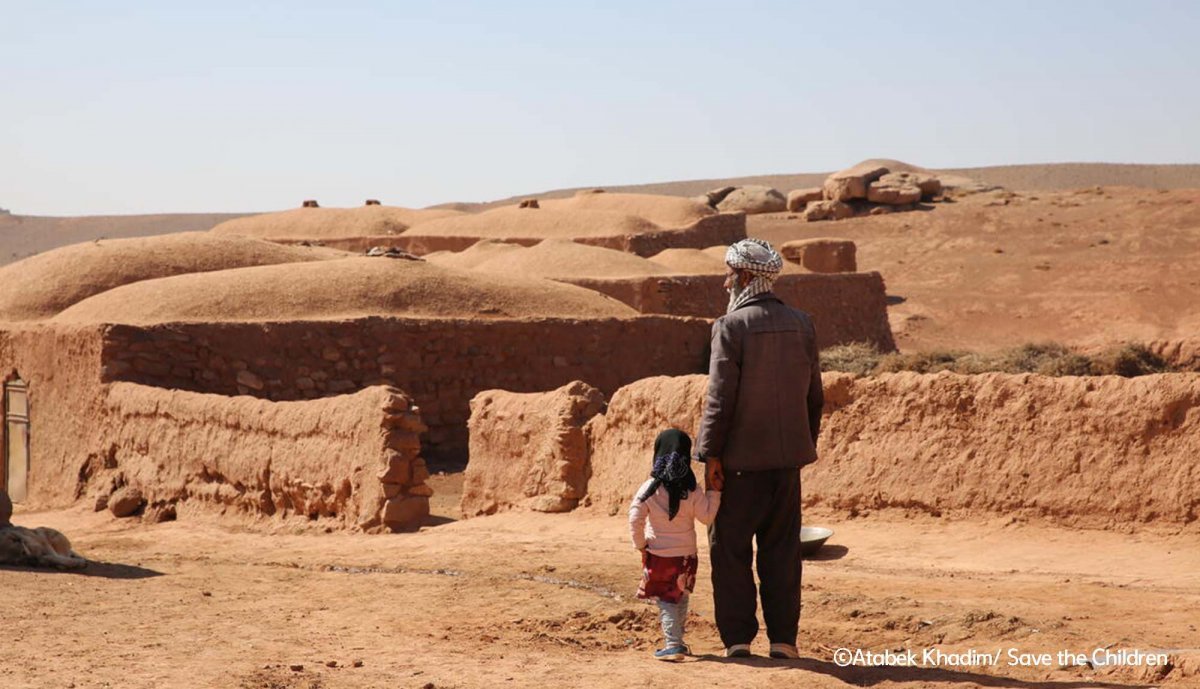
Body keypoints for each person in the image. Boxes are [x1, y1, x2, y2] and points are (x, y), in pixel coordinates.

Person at [696, 237, 824, 660]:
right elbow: (814, 397)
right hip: (786, 465)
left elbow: (719, 399)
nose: (725, 281)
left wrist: (710, 455)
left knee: (729, 550)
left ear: (745, 276)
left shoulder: (730, 327)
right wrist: (800, 446)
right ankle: (783, 640)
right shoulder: (803, 323)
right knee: (782, 552)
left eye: (729, 273)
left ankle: (738, 640)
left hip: (739, 466)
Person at [628, 428, 722, 661]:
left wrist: (641, 545)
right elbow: (707, 517)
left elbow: (634, 518)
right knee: (680, 595)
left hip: (659, 555)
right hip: (687, 556)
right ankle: (677, 641)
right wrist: (715, 492)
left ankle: (673, 644)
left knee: (665, 599)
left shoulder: (649, 488)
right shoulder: (691, 489)